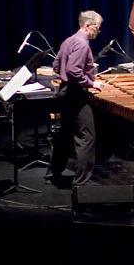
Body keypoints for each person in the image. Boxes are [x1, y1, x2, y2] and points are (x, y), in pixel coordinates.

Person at [50, 10, 105, 186]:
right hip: (76, 93)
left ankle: (55, 172)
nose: (98, 31)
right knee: (87, 137)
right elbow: (74, 70)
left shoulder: (69, 40)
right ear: (87, 26)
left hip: (65, 91)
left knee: (66, 133)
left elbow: (56, 64)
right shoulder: (82, 44)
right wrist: (91, 83)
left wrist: (64, 77)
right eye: (97, 27)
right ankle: (81, 182)